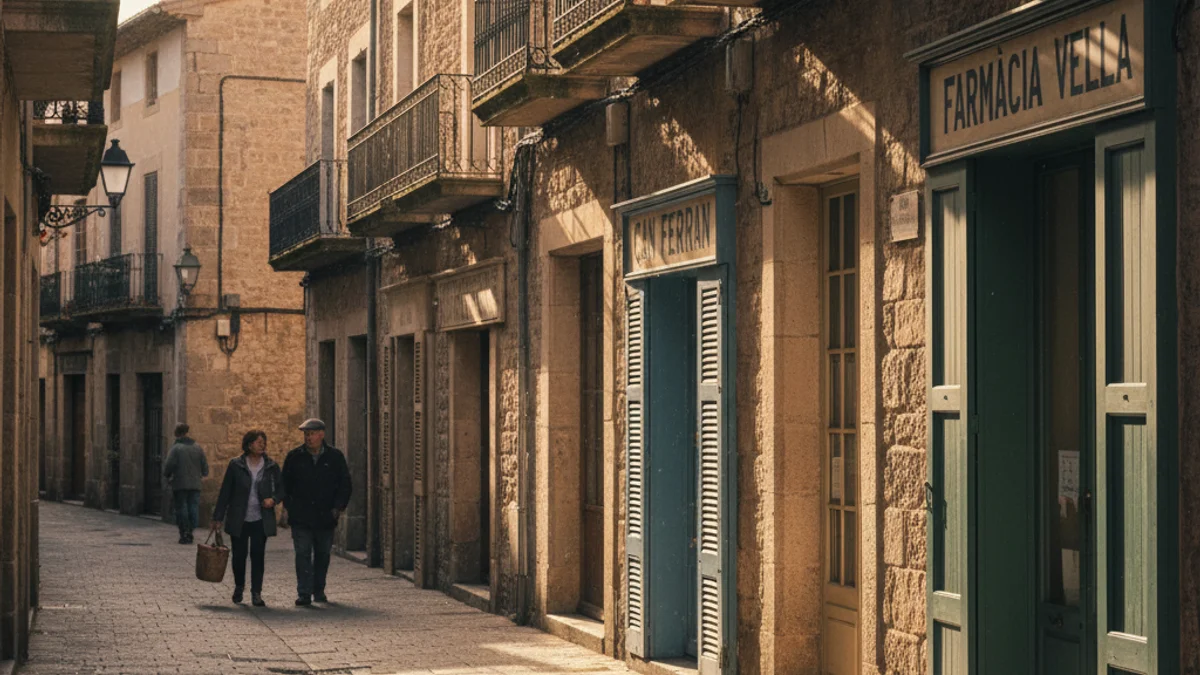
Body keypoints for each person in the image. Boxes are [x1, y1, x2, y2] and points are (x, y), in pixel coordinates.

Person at [281, 418, 351, 606]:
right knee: (302, 554)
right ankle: (304, 592)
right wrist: (290, 506)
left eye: (311, 434)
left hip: (325, 516)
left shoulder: (334, 457)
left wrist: (337, 507)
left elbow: (344, 484)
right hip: (301, 517)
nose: (308, 438)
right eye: (306, 434)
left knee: (322, 555)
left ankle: (318, 589)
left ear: (321, 434)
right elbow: (284, 485)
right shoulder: (294, 457)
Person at [211, 430, 282, 607]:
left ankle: (256, 593)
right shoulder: (236, 465)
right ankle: (239, 586)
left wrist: (273, 500)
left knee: (258, 556)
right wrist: (218, 517)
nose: (262, 445)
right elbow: (225, 492)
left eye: (264, 442)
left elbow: (281, 489)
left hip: (260, 518)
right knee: (239, 556)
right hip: (239, 518)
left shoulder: (271, 466)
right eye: (258, 442)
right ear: (249, 444)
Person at [163, 424, 208, 544]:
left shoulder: (176, 448)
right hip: (195, 484)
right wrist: (202, 474)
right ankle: (191, 530)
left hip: (180, 483)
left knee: (181, 507)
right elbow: (205, 466)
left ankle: (184, 531)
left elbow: (169, 465)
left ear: (177, 434)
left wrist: (167, 475)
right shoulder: (198, 447)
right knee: (193, 507)